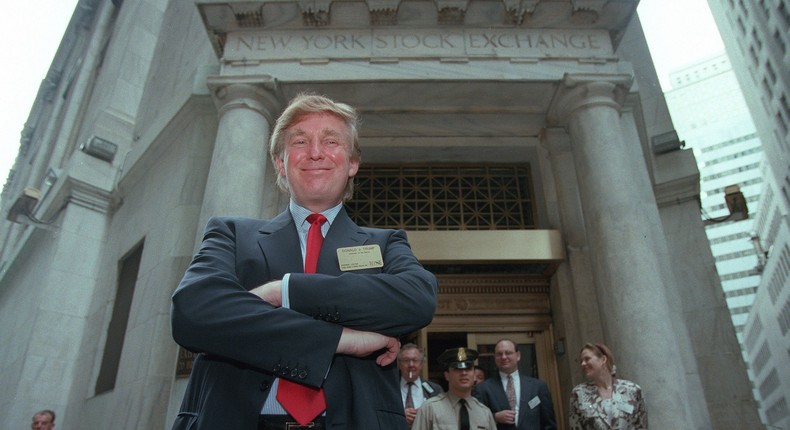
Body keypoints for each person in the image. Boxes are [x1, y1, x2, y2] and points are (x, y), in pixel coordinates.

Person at [170, 93, 438, 430]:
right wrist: (343, 340)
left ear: (352, 162)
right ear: (280, 163)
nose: (315, 152)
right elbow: (193, 312)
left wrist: (285, 290)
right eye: (300, 141)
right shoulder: (232, 235)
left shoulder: (385, 244)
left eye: (331, 141)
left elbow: (417, 299)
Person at [474, 339, 557, 430]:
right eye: (499, 354)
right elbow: (476, 421)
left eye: (508, 353)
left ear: (518, 355)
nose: (504, 357)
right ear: (495, 358)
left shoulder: (538, 387)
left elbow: (549, 423)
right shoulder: (483, 388)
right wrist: (494, 418)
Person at [412, 348, 497, 430]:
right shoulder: (430, 409)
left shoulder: (484, 413)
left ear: (474, 375)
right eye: (457, 369)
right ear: (447, 375)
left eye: (468, 369)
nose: (464, 373)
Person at [568, 343, 647, 429]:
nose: (583, 364)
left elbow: (641, 426)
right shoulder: (579, 393)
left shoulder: (632, 390)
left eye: (587, 359)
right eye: (581, 361)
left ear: (603, 359)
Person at [398, 343, 444, 427]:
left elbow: (443, 418)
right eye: (406, 360)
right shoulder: (389, 389)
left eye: (415, 360)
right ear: (399, 364)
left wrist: (424, 416)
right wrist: (399, 415)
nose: (411, 365)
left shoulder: (435, 390)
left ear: (422, 364)